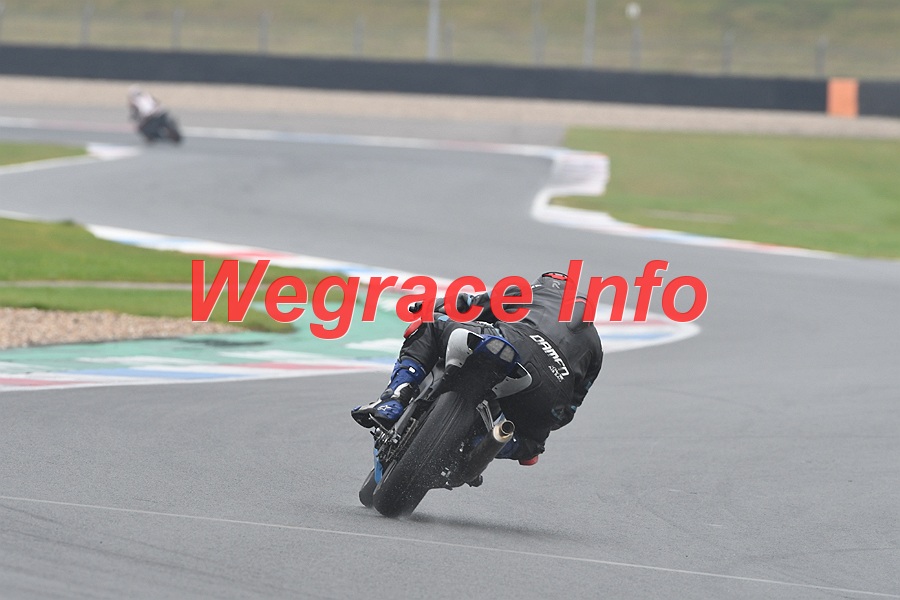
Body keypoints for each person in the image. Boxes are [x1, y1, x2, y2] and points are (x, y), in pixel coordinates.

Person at [352, 271, 603, 465]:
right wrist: (539, 422)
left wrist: (430, 305)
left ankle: (394, 399)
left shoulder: (529, 291)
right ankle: (477, 447)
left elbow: (468, 304)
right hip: (551, 392)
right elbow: (569, 410)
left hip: (516, 343)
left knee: (431, 324)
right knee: (530, 446)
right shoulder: (596, 349)